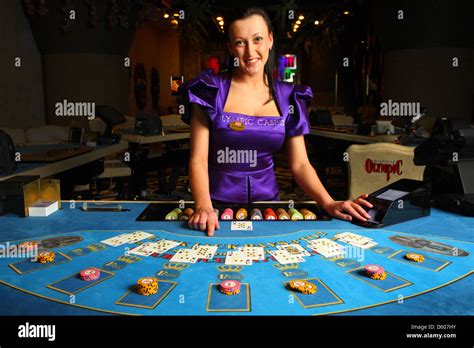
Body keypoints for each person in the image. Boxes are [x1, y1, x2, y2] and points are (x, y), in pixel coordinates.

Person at [180, 7, 372, 236]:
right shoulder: (209, 90)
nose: (250, 51)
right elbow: (198, 160)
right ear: (230, 47)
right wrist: (203, 206)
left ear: (270, 40)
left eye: (258, 39)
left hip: (269, 208)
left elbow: (300, 164)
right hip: (215, 207)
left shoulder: (289, 96)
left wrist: (328, 202)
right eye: (240, 42)